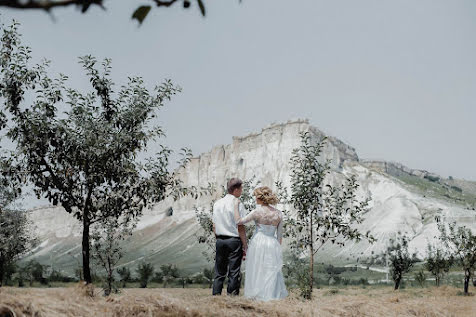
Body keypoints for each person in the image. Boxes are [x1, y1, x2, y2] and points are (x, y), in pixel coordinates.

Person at [236, 186, 288, 301]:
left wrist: (235, 208)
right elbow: (279, 236)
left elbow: (239, 222)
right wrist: (278, 250)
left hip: (259, 242)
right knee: (271, 270)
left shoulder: (257, 212)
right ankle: (270, 295)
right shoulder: (278, 214)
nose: (254, 199)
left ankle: (258, 295)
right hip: (272, 243)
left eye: (255, 196)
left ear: (260, 198)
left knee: (257, 268)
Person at [212, 177, 248, 296]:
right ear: (236, 189)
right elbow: (240, 226)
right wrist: (245, 245)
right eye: (241, 188)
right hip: (234, 240)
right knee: (234, 271)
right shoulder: (237, 203)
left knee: (219, 271)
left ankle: (216, 295)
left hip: (220, 239)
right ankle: (232, 297)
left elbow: (214, 225)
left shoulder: (217, 203)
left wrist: (218, 238)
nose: (242, 191)